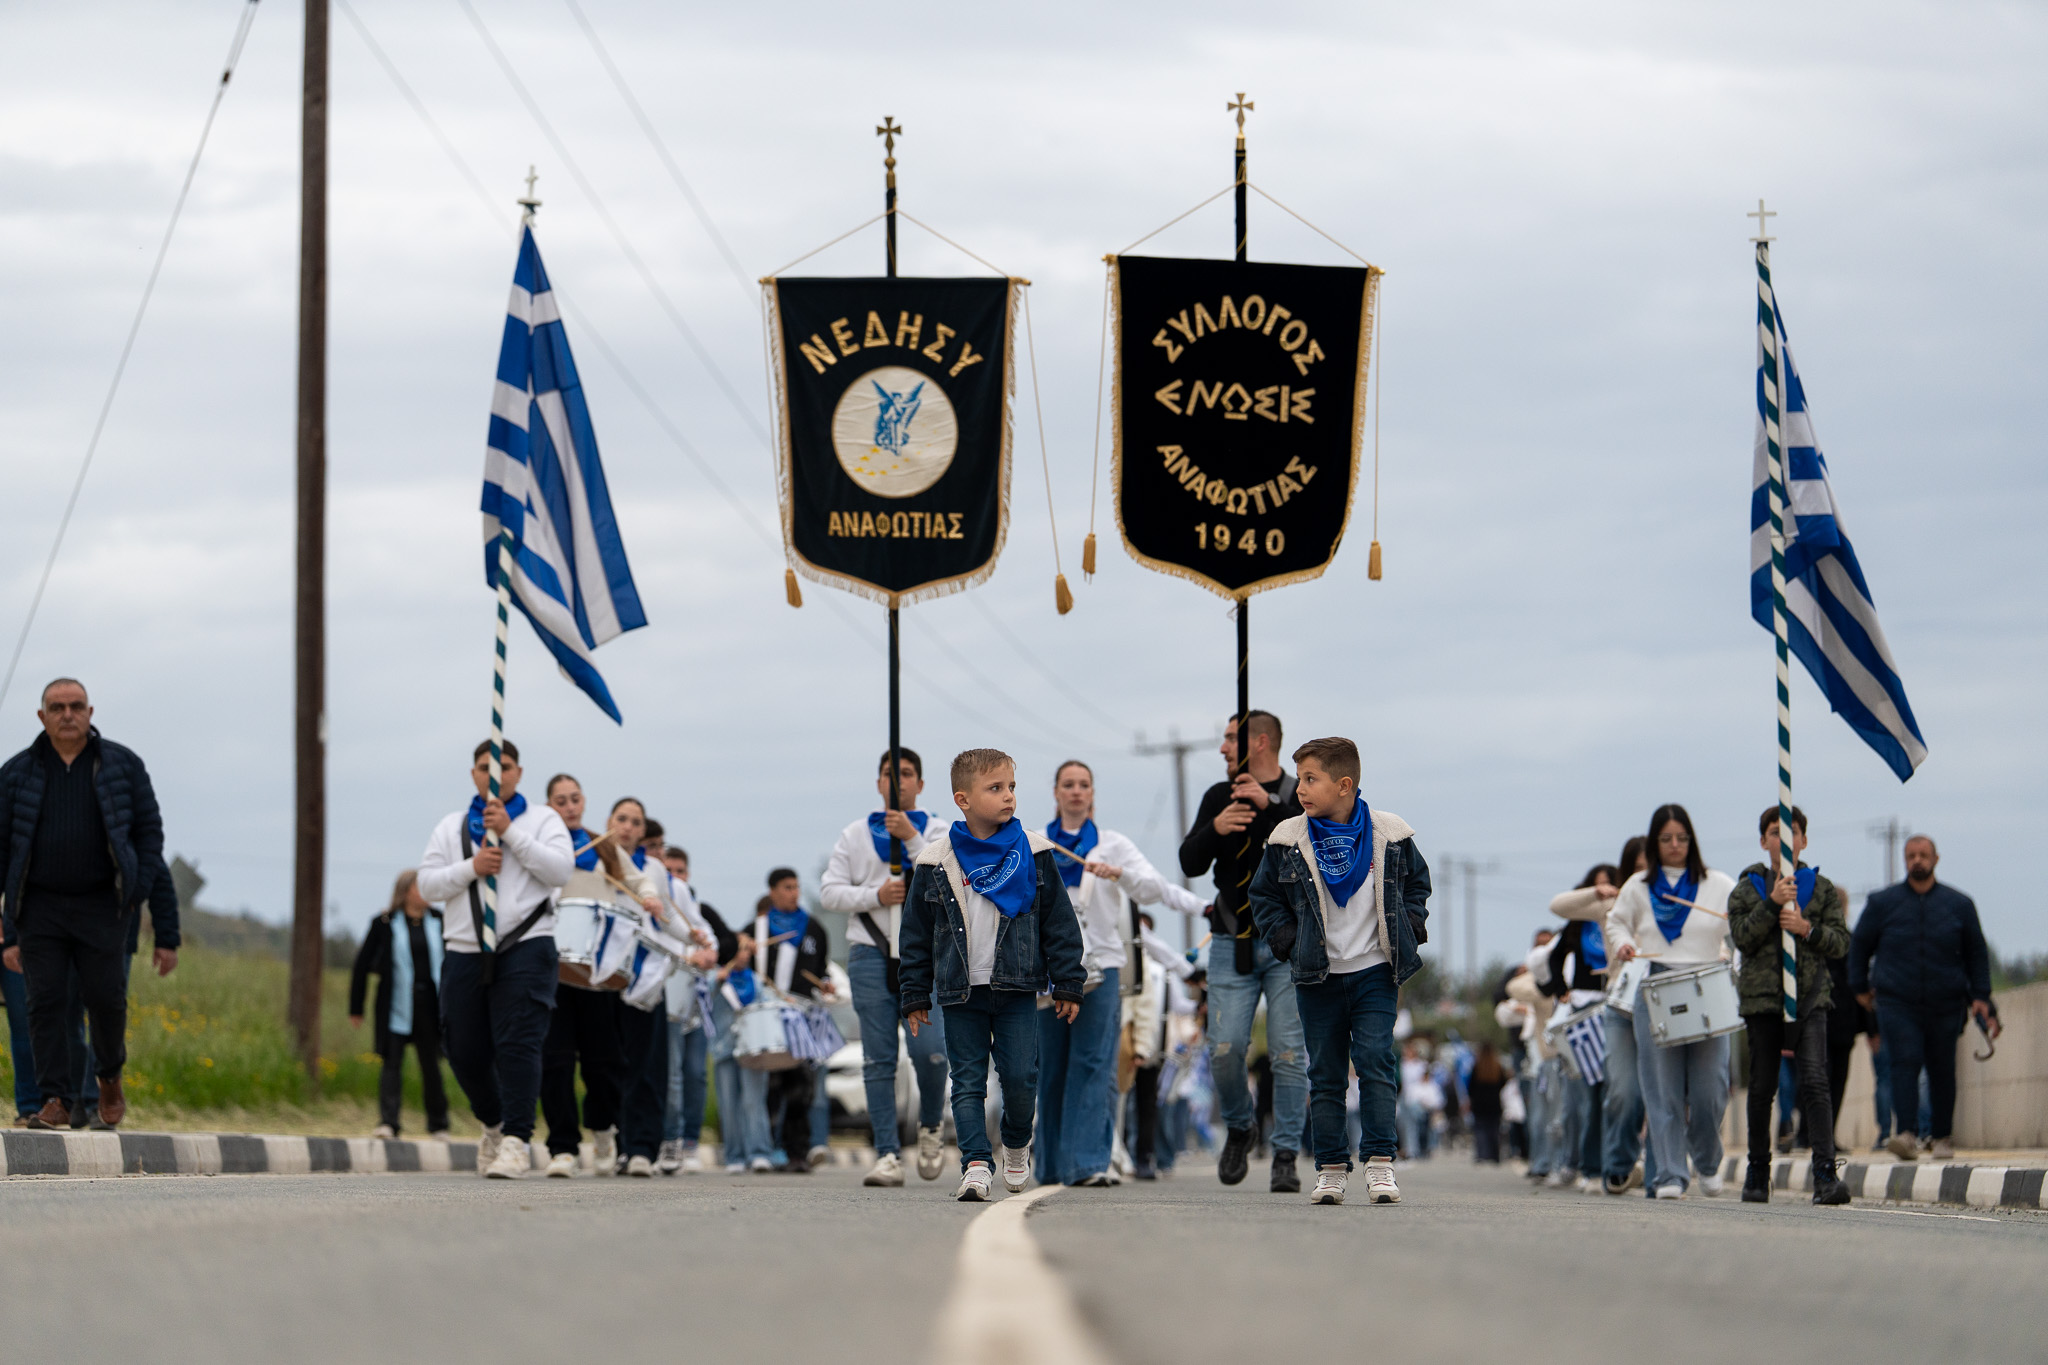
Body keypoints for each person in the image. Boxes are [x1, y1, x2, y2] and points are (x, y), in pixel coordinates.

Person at [1247, 735, 1430, 1207]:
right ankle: (1330, 1169)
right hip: (1318, 974)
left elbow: (1417, 886)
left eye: (1311, 779)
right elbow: (1262, 897)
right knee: (1326, 1074)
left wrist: (1410, 927)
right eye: (1300, 779)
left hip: (1374, 970)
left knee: (1375, 1063)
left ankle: (1380, 1164)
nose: (1301, 789)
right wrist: (1287, 942)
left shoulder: (1392, 833)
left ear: (1344, 785)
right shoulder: (1288, 838)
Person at [900, 748, 1086, 1201]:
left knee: (1021, 1079)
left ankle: (1017, 1144)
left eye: (1012, 788)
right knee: (966, 1082)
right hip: (959, 991)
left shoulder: (1035, 853)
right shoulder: (935, 861)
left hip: (1017, 986)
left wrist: (1068, 982)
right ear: (963, 799)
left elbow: (1059, 923)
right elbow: (915, 936)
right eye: (995, 788)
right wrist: (914, 994)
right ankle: (977, 1164)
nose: (1008, 797)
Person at [0, 678, 176, 1131]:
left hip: (103, 906)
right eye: (57, 707)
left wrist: (139, 897)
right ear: (42, 717)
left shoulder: (123, 766)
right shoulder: (17, 772)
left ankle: (109, 1078)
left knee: (105, 999)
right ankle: (55, 1098)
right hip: (39, 907)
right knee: (46, 1003)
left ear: (90, 712)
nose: (67, 715)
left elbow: (149, 838)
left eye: (76, 706)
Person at [1037, 759, 1209, 1188]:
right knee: (1051, 1066)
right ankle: (1051, 1166)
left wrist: (1122, 874)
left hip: (1103, 967)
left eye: (1084, 785)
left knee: (1094, 1062)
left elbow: (1154, 888)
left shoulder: (1112, 845)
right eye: (1068, 784)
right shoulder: (1036, 845)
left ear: (1092, 793)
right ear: (1056, 792)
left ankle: (1090, 1163)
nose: (1076, 791)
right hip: (1049, 970)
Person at [416, 739, 574, 1180]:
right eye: (486, 767)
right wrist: (472, 867)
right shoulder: (450, 828)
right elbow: (427, 886)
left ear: (518, 773)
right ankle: (493, 1122)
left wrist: (510, 832)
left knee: (519, 1043)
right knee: (463, 1049)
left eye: (504, 767)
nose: (495, 774)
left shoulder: (542, 819)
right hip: (465, 948)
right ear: (473, 775)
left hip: (525, 944)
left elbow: (561, 870)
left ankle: (517, 1141)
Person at [1178, 710, 1308, 1191]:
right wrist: (1218, 826)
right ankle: (1239, 1124)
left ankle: (1286, 1153)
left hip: (1287, 943)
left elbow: (1316, 850)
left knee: (1289, 1054)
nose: (1221, 747)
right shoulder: (1220, 795)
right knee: (1225, 1048)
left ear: (1261, 742)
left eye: (1231, 738)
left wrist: (1271, 807)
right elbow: (1189, 861)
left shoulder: (1298, 794)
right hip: (1232, 939)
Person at [819, 747, 949, 1188]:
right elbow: (830, 893)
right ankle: (887, 1153)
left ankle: (930, 1124)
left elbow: (950, 877)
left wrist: (912, 838)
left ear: (921, 784)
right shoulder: (855, 835)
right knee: (879, 1057)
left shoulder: (938, 830)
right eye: (890, 774)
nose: (899, 782)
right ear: (878, 783)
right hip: (870, 951)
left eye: (907, 774)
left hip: (923, 956)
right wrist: (875, 895)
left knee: (930, 1052)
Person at [1605, 803, 1736, 1199]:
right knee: (1661, 1090)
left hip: (1708, 986)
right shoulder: (1639, 887)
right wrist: (1624, 944)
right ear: (1655, 842)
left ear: (1691, 840)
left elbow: (1739, 928)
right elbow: (1616, 921)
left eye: (1681, 838)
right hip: (1658, 986)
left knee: (1710, 1089)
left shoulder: (1718, 883)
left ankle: (1709, 1161)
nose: (1675, 845)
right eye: (1666, 839)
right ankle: (1670, 1175)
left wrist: (1732, 956)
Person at [1727, 804, 1851, 1204]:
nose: (1784, 839)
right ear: (1764, 841)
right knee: (1762, 1086)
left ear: (1804, 840)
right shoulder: (1747, 889)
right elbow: (1742, 938)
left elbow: (1840, 942)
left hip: (1810, 996)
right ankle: (1758, 1173)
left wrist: (1805, 928)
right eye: (1774, 832)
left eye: (1792, 831)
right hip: (1762, 1001)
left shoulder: (1822, 888)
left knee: (1815, 1081)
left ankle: (1825, 1175)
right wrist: (1771, 905)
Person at [1849, 834, 1997, 1162]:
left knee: (1942, 1068)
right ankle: (1907, 1133)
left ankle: (1942, 1136)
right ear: (1905, 860)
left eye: (1923, 854)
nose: (1917, 860)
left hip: (1946, 1001)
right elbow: (1859, 946)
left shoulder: (1959, 904)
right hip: (1896, 1001)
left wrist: (1982, 997)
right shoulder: (1882, 903)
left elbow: (1976, 952)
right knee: (1904, 1061)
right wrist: (1859, 986)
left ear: (1935, 859)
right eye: (1911, 855)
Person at [535, 775, 627, 1177]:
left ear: (584, 802)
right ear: (549, 805)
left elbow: (632, 884)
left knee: (600, 1062)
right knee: (554, 1060)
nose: (569, 807)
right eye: (561, 801)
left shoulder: (605, 846)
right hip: (551, 966)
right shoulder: (540, 846)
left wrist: (649, 896)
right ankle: (563, 1148)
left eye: (575, 799)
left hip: (595, 969)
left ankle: (604, 1131)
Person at [348, 869, 450, 1140]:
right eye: (420, 887)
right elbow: (361, 967)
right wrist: (355, 1007)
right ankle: (388, 1123)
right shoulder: (384, 923)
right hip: (395, 1004)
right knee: (391, 1063)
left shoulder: (441, 921)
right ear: (405, 892)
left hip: (430, 1004)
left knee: (431, 1064)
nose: (426, 893)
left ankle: (439, 1124)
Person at [751, 868, 835, 1171]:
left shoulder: (814, 929)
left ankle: (798, 1151)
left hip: (801, 1018)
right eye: (787, 887)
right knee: (769, 1085)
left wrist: (824, 984)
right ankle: (767, 1147)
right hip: (767, 1017)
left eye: (797, 887)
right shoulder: (756, 931)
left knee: (800, 1086)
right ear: (772, 891)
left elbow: (821, 969)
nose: (794, 893)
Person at [1542, 863, 1618, 1192]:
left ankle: (1615, 1161)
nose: (1604, 893)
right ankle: (1589, 1166)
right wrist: (1562, 991)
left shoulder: (1620, 917)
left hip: (1613, 1002)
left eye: (1609, 886)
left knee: (1615, 1092)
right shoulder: (1576, 925)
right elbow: (1553, 959)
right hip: (1583, 1010)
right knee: (1587, 1095)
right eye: (1597, 887)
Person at [1590, 836, 1652, 1195]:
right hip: (1621, 1002)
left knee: (1662, 1092)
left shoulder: (1672, 899)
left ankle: (1663, 1171)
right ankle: (1619, 1162)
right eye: (1639, 867)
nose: (1646, 874)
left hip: (1661, 997)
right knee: (1624, 1091)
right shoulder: (1614, 904)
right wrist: (1596, 892)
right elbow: (1561, 905)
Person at [657, 843, 721, 1174]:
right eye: (669, 871)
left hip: (694, 1002)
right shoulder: (654, 901)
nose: (675, 877)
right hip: (665, 996)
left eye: (680, 871)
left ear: (688, 875)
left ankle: (691, 1141)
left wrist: (709, 953)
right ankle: (670, 1139)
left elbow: (717, 940)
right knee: (671, 1074)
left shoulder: (694, 905)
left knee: (695, 1073)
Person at [1467, 1042, 1508, 1163]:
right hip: (1494, 1103)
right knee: (1494, 1130)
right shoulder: (1497, 1067)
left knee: (1480, 1130)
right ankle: (1494, 1155)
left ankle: (1482, 1154)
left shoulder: (1477, 1067)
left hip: (1479, 1103)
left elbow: (1471, 1087)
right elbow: (1503, 1083)